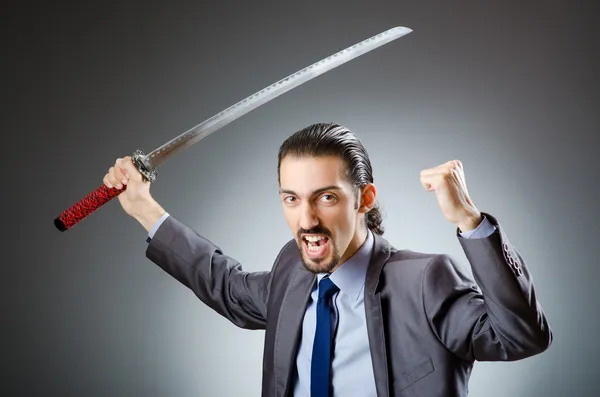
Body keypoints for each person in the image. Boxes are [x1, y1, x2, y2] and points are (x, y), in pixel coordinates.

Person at [103, 122, 552, 397]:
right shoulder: (291, 272)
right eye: (291, 199)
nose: (307, 219)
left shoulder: (423, 281)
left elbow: (520, 337)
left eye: (326, 198)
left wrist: (470, 221)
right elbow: (227, 285)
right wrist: (143, 207)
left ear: (364, 199)